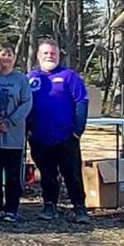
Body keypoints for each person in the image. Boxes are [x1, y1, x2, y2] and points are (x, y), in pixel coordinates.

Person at [27, 38, 91, 224]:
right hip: (39, 137)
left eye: (53, 53)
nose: (49, 56)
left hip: (66, 136)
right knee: (47, 174)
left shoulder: (70, 76)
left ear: (58, 55)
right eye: (45, 53)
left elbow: (82, 102)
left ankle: (79, 208)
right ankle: (49, 206)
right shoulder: (31, 78)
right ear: (38, 56)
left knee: (72, 174)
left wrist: (77, 130)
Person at [0, 43, 32, 223]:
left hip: (14, 133)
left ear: (14, 57)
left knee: (13, 173)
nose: (6, 58)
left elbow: (27, 103)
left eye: (9, 54)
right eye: (2, 54)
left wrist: (10, 122)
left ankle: (11, 209)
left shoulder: (21, 79)